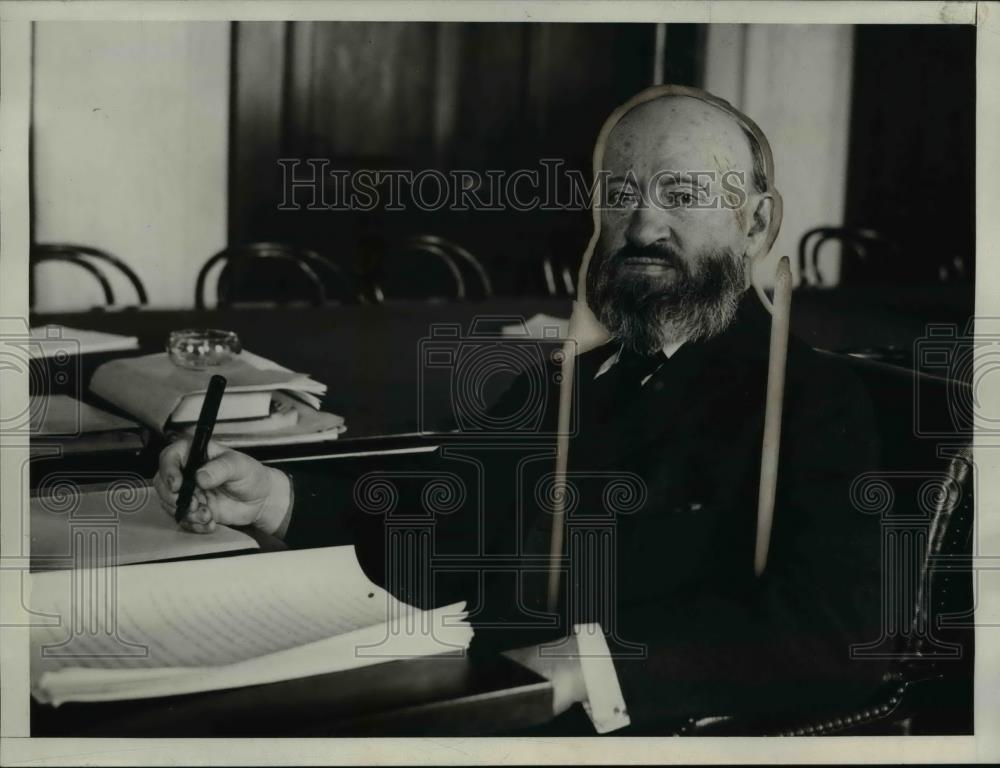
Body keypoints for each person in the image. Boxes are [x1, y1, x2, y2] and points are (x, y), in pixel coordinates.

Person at [154, 85, 886, 734]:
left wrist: (590, 664)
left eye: (683, 195)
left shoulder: (812, 399)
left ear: (756, 225)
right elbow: (441, 525)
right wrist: (272, 498)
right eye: (619, 191)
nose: (640, 226)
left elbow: (836, 632)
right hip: (464, 699)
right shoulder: (562, 381)